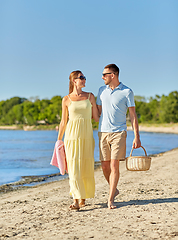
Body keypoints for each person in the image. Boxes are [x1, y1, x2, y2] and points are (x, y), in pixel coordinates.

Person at [96, 64, 141, 209]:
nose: (102, 77)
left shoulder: (127, 91)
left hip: (119, 133)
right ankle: (114, 190)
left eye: (104, 74)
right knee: (104, 166)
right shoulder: (101, 91)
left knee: (114, 165)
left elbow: (133, 115)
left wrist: (136, 136)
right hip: (102, 132)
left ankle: (110, 200)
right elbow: (97, 112)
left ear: (113, 75)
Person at [57, 70, 99, 210]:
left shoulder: (90, 97)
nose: (84, 80)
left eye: (84, 77)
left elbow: (97, 118)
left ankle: (83, 197)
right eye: (81, 78)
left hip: (87, 136)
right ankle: (76, 199)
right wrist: (59, 141)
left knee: (86, 166)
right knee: (74, 168)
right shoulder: (66, 99)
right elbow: (63, 122)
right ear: (74, 80)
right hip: (71, 137)